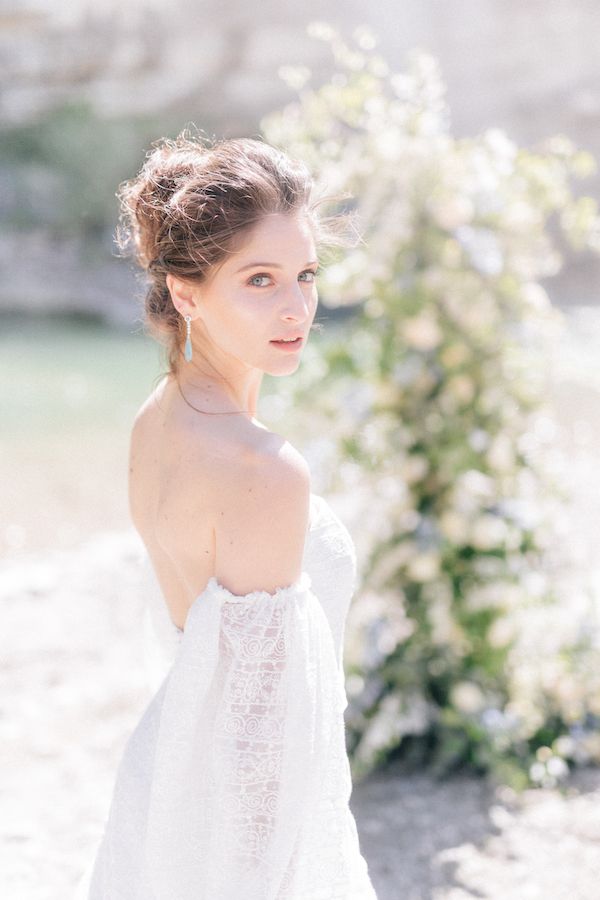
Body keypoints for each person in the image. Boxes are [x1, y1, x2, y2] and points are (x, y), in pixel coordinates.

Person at [76, 132, 379, 899]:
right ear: (187, 293)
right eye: (259, 279)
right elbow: (263, 738)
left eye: (305, 274)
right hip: (240, 832)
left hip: (173, 779)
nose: (296, 307)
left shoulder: (161, 415)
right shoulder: (262, 470)